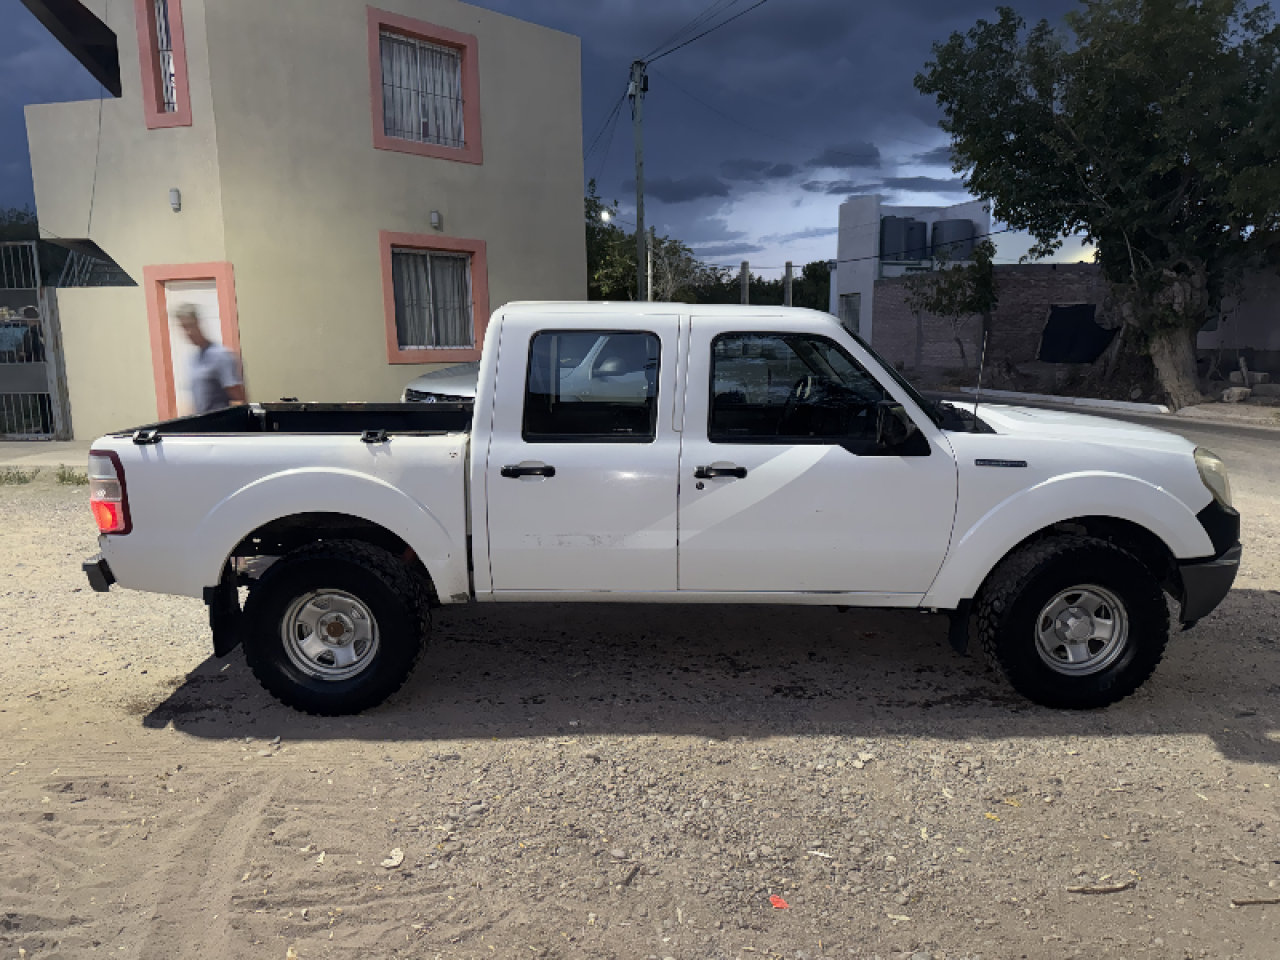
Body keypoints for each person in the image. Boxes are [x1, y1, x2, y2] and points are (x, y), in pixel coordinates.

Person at [175, 305, 246, 413]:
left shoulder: (221, 356)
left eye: (190, 326)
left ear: (198, 323)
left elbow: (238, 400)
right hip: (200, 427)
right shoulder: (192, 360)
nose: (188, 333)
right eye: (184, 328)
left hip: (220, 425)